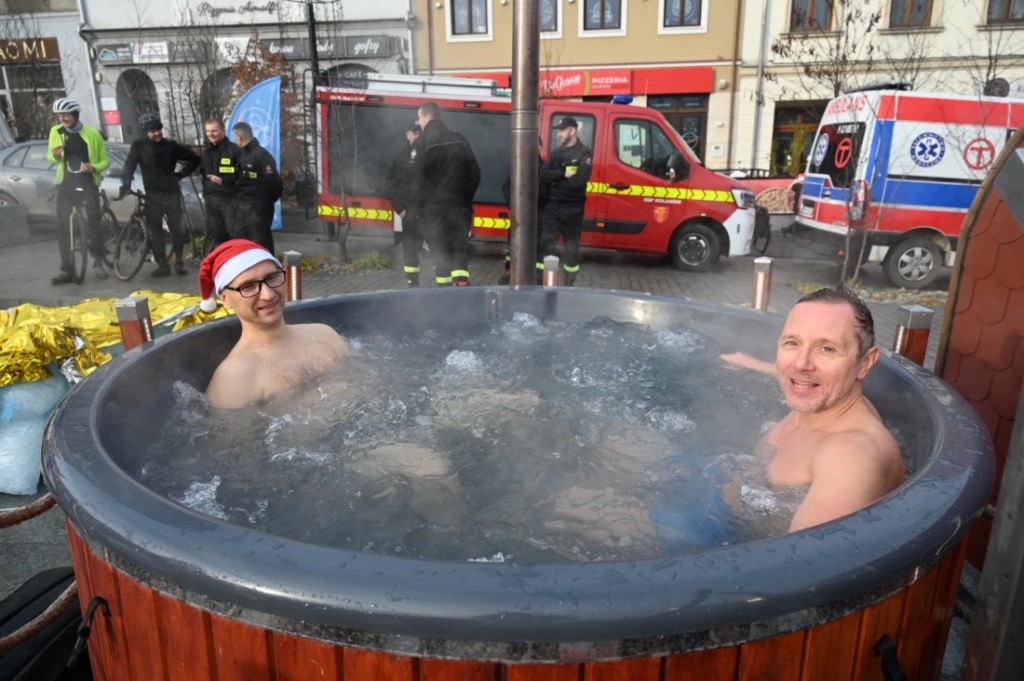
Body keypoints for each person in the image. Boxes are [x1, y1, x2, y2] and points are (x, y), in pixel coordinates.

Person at [722, 286, 905, 532]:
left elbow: (802, 554)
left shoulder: (849, 458)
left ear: (865, 363)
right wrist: (754, 364)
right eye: (792, 343)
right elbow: (800, 372)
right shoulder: (832, 401)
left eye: (826, 348)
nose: (801, 364)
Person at [198, 239, 350, 409]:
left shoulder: (324, 334)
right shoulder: (234, 378)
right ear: (225, 299)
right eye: (248, 286)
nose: (268, 295)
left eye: (272, 278)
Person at [119, 113, 201, 277]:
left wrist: (180, 175)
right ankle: (163, 266)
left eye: (159, 129)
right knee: (156, 232)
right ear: (145, 132)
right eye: (153, 131)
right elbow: (129, 166)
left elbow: (195, 159)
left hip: (171, 193)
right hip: (152, 195)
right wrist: (126, 185)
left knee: (176, 230)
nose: (157, 133)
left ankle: (179, 263)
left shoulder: (171, 146)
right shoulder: (139, 146)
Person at [412, 101, 480, 286]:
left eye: (419, 117)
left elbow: (415, 178)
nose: (418, 122)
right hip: (458, 208)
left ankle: (444, 290)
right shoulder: (460, 139)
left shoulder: (422, 142)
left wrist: (419, 207)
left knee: (439, 250)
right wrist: (465, 201)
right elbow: (474, 173)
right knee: (459, 249)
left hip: (432, 210)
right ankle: (461, 287)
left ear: (428, 117)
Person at [47, 98, 111, 284]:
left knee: (94, 224)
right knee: (63, 227)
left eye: (66, 115)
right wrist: (55, 156)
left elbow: (105, 161)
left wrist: (94, 167)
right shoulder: (55, 132)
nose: (62, 119)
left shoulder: (92, 134)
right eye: (59, 116)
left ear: (75, 115)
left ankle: (98, 263)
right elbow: (50, 157)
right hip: (66, 185)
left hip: (88, 185)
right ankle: (66, 269)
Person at [539, 116, 593, 287]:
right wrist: (563, 174)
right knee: (547, 247)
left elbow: (578, 182)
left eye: (562, 130)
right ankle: (546, 284)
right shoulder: (556, 153)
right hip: (553, 208)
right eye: (559, 131)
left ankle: (568, 285)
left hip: (573, 210)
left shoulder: (584, 154)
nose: (559, 134)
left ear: (573, 130)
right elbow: (543, 175)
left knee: (571, 250)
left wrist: (555, 181)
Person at [499, 138, 548, 285]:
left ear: (539, 147)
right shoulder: (518, 165)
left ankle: (537, 279)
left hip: (537, 217)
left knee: (537, 249)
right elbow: (506, 186)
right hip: (519, 216)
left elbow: (546, 192)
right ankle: (510, 275)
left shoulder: (544, 168)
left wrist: (534, 207)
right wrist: (514, 206)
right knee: (514, 247)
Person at [232, 121, 283, 254]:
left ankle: (267, 266)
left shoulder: (262, 155)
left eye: (235, 138)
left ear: (240, 137)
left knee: (261, 242)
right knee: (240, 241)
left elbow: (276, 184)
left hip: (258, 206)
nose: (235, 141)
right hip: (243, 204)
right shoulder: (242, 154)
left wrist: (263, 201)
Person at [384, 123, 424, 287]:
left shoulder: (431, 154)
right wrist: (399, 208)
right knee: (410, 247)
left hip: (429, 211)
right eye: (414, 133)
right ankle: (412, 282)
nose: (417, 136)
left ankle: (442, 285)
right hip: (410, 211)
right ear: (408, 135)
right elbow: (390, 184)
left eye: (419, 133)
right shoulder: (401, 157)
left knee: (437, 247)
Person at [199, 118, 241, 248]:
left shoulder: (235, 150)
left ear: (223, 131)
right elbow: (203, 174)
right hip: (211, 201)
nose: (210, 134)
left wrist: (224, 181)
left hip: (229, 201)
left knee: (234, 237)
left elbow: (243, 176)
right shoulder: (206, 152)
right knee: (218, 237)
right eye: (208, 131)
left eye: (214, 131)